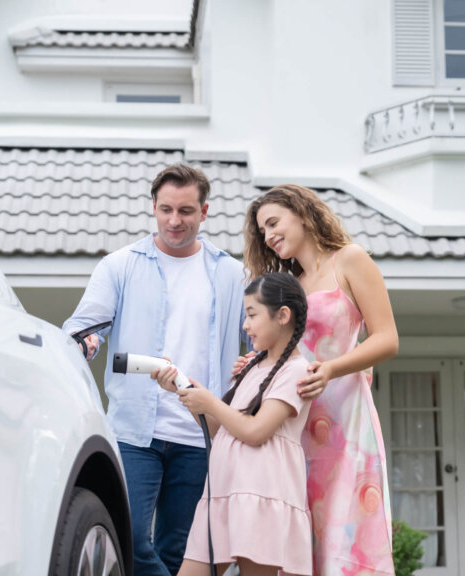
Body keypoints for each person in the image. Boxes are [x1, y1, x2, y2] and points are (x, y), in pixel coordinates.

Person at [62, 163, 246, 576]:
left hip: (201, 434)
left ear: (205, 211)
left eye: (185, 211)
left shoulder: (232, 273)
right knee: (130, 538)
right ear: (153, 207)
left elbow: (261, 338)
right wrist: (84, 343)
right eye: (166, 210)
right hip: (134, 434)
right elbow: (84, 327)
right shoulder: (119, 265)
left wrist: (253, 360)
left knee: (181, 550)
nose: (174, 221)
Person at [240, 184, 400, 576]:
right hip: (293, 424)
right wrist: (257, 362)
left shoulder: (350, 260)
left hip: (344, 421)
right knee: (299, 534)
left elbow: (387, 338)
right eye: (262, 231)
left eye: (274, 222)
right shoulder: (288, 284)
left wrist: (331, 369)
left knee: (346, 531)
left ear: (303, 212)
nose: (269, 235)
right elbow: (291, 351)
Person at [156, 273, 313, 576]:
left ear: (282, 315)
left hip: (262, 497)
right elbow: (220, 429)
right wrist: (183, 389)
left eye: (252, 315)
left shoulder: (296, 371)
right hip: (224, 495)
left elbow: (255, 431)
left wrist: (211, 403)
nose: (245, 325)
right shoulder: (253, 367)